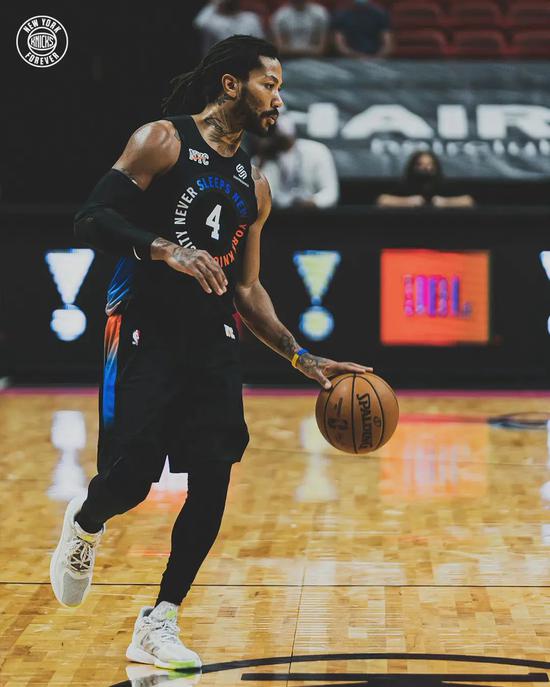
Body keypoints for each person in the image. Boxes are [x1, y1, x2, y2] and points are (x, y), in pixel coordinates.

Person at [49, 35, 369, 671]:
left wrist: (302, 357)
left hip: (213, 338)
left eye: (279, 87)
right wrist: (165, 249)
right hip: (142, 324)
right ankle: (85, 522)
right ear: (231, 84)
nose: (278, 98)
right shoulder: (162, 140)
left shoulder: (255, 185)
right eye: (269, 84)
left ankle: (160, 620)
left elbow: (247, 288)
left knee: (214, 475)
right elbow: (90, 218)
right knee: (133, 478)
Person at [254, 115, 339, 208]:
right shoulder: (262, 159)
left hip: (313, 213)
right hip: (277, 214)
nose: (277, 133)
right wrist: (261, 162)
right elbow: (258, 199)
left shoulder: (317, 151)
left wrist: (313, 202)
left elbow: (330, 193)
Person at [376, 151, 476, 208]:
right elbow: (382, 200)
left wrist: (446, 202)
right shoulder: (406, 184)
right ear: (413, 166)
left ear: (435, 166)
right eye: (420, 164)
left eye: (429, 164)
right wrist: (407, 201)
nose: (425, 168)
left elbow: (468, 201)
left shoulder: (443, 184)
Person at [193, 0, 264, 54]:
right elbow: (199, 24)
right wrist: (213, 4)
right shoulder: (215, 22)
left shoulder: (251, 18)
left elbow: (260, 44)